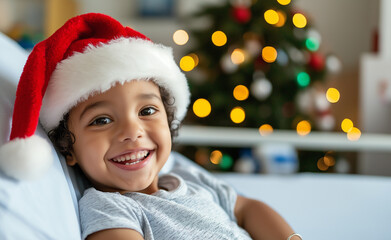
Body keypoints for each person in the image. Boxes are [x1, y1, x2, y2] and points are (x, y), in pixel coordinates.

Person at [0, 13, 302, 240]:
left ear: (169, 122)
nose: (132, 131)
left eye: (146, 110)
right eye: (102, 120)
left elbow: (249, 209)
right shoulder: (108, 207)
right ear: (68, 149)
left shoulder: (190, 178)